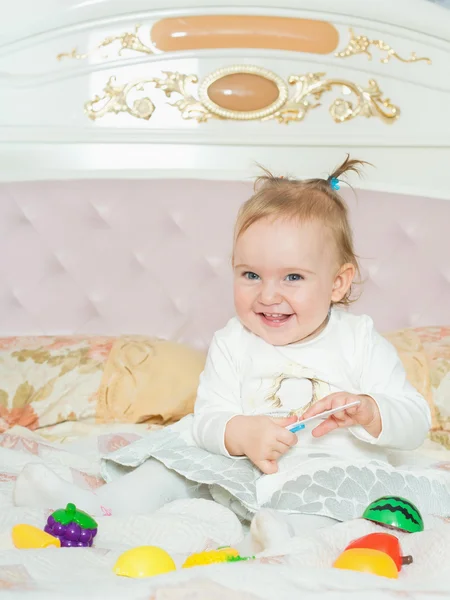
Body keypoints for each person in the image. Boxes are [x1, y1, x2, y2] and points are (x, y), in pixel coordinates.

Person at [13, 156, 431, 549]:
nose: (268, 295)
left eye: (292, 277)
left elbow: (414, 420)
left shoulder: (359, 340)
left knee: (342, 503)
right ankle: (98, 507)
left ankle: (289, 534)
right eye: (250, 274)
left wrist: (371, 411)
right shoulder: (233, 342)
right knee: (172, 463)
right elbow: (208, 419)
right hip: (238, 469)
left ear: (338, 283)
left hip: (326, 467)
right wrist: (240, 433)